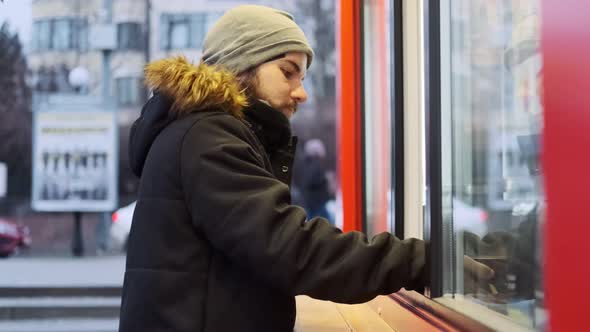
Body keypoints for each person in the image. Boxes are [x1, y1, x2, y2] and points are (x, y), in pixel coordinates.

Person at [119, 5, 488, 331]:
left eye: (303, 77)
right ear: (242, 66)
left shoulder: (202, 131)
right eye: (287, 72)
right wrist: (424, 260)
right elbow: (290, 247)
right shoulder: (208, 135)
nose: (301, 92)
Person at [301, 138, 333, 223]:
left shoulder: (308, 163)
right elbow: (310, 181)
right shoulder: (315, 164)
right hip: (316, 201)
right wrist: (325, 179)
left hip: (313, 201)